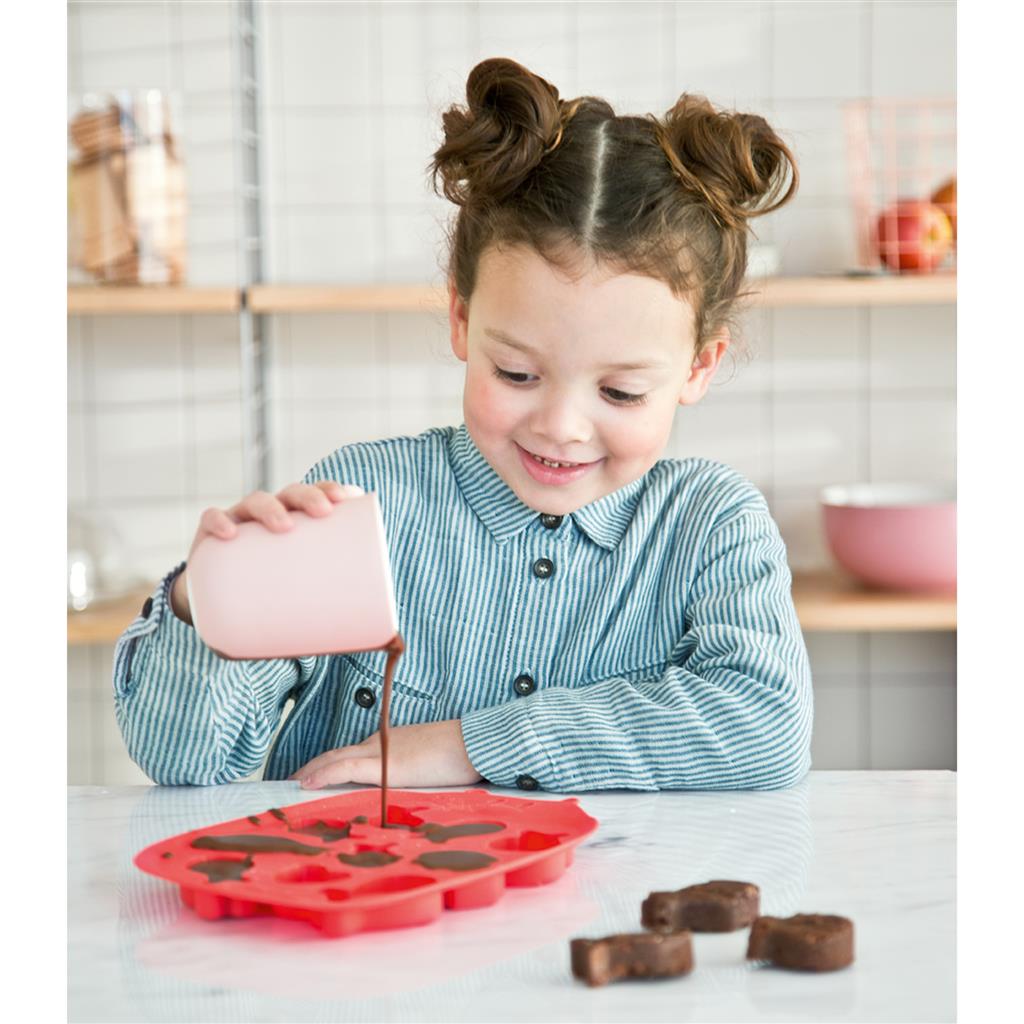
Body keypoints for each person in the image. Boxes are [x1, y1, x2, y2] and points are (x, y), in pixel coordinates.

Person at [113, 57, 811, 793]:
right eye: (516, 375)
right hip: (364, 903)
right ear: (461, 320)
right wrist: (209, 601)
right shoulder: (365, 500)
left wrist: (470, 747)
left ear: (699, 368)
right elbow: (184, 762)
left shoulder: (709, 523)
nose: (561, 427)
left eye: (621, 391)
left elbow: (763, 728)